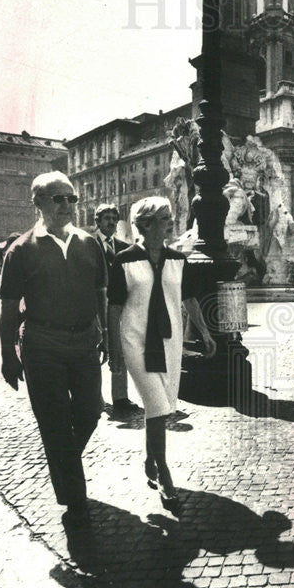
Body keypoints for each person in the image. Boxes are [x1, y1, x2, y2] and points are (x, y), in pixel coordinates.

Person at [0, 172, 107, 528]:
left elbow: (101, 295)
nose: (66, 205)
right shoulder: (21, 250)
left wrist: (106, 334)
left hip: (85, 343)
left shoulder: (90, 243)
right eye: (57, 198)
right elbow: (10, 309)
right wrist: (7, 356)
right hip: (42, 346)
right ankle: (76, 501)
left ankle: (61, 464)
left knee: (91, 411)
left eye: (71, 198)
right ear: (38, 203)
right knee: (56, 422)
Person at [107, 197, 216, 511]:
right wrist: (115, 351)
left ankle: (150, 459)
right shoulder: (124, 260)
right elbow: (114, 309)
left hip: (170, 341)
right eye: (165, 218)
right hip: (135, 341)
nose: (171, 222)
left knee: (161, 408)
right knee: (156, 404)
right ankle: (165, 473)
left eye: (170, 217)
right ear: (145, 224)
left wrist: (205, 333)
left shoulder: (179, 260)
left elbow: (190, 299)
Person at [92, 202, 140, 416]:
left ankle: (120, 397)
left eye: (114, 219)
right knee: (95, 350)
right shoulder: (88, 244)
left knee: (120, 348)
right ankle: (94, 397)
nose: (111, 223)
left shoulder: (122, 247)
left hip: (118, 305)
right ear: (98, 221)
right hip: (94, 306)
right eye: (106, 219)